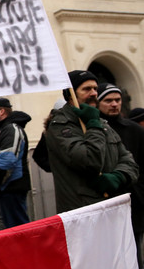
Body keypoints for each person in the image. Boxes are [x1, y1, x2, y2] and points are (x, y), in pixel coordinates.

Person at [45, 70, 138, 213]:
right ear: (71, 95)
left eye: (95, 88)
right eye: (87, 89)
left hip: (113, 208)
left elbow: (129, 161)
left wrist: (118, 177)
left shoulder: (101, 122)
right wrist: (93, 124)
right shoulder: (60, 125)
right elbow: (90, 161)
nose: (94, 93)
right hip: (84, 213)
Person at [96, 83, 144, 269]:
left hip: (134, 202)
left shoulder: (134, 130)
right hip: (102, 203)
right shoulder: (91, 128)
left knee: (132, 253)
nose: (114, 104)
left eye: (117, 100)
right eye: (108, 100)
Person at [0, 98, 31, 228]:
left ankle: (24, 248)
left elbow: (8, 159)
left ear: (2, 111)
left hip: (12, 185)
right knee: (11, 225)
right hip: (6, 187)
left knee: (17, 226)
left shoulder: (11, 129)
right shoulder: (2, 130)